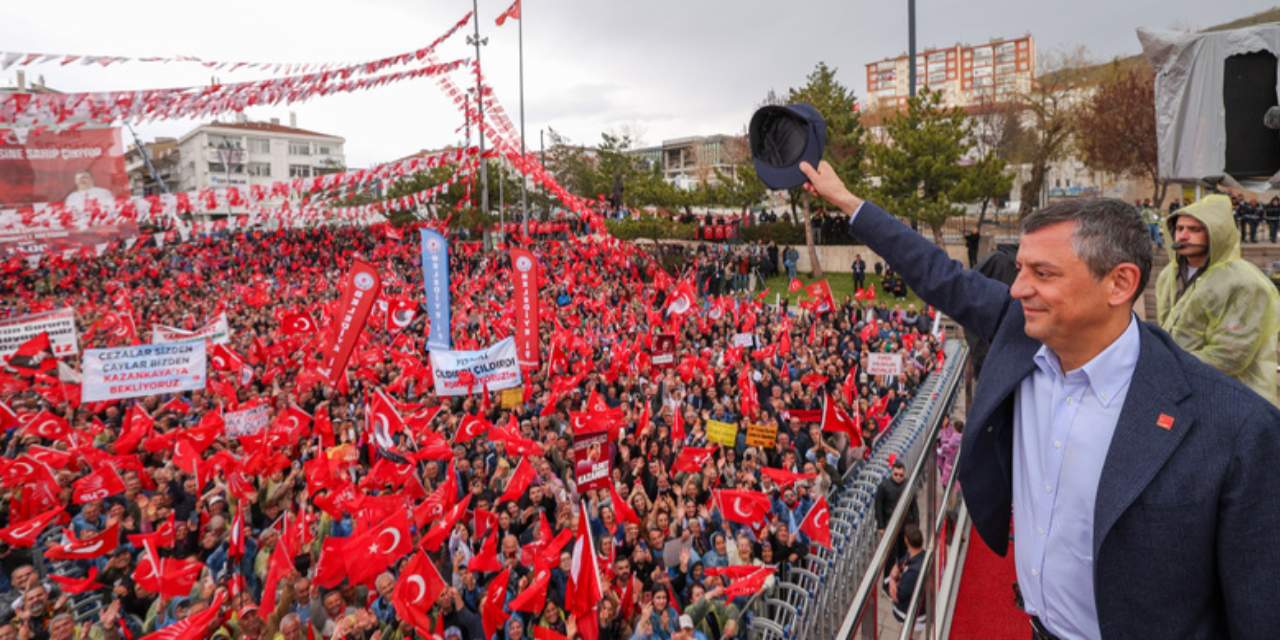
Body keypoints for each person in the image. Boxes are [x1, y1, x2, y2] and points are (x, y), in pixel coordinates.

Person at [800, 158, 1280, 639]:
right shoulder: (1019, 330)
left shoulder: (1237, 429)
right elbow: (934, 271)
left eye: (1043, 273)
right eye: (1022, 267)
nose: (1017, 287)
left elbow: (1260, 612)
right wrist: (847, 201)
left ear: (1120, 283)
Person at [1155, 194, 1279, 406]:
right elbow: (1168, 330)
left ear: (1217, 233)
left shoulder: (1245, 282)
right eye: (1180, 228)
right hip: (1183, 393)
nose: (1183, 236)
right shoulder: (1169, 275)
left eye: (1195, 230)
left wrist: (1170, 364)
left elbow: (1231, 355)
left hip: (1236, 399)